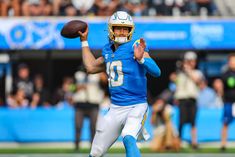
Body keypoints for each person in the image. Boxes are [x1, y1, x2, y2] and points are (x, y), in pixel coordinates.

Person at [78, 11, 161, 157]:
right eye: (118, 28)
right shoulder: (108, 50)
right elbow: (90, 67)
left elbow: (157, 72)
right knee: (95, 152)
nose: (122, 32)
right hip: (115, 108)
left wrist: (142, 59)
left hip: (136, 105)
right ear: (111, 29)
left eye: (125, 29)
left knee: (128, 137)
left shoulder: (134, 46)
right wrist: (84, 41)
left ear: (131, 30)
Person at [174, 51, 204, 149]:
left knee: (193, 122)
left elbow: (198, 81)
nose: (191, 63)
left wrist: (188, 71)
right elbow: (175, 81)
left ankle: (194, 142)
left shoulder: (197, 72)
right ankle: (178, 142)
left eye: (192, 61)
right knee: (181, 122)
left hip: (192, 99)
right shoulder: (180, 73)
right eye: (189, 61)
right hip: (182, 99)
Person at [220, 53, 235, 151]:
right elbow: (222, 86)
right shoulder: (226, 73)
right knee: (225, 123)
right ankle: (223, 144)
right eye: (232, 61)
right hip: (229, 102)